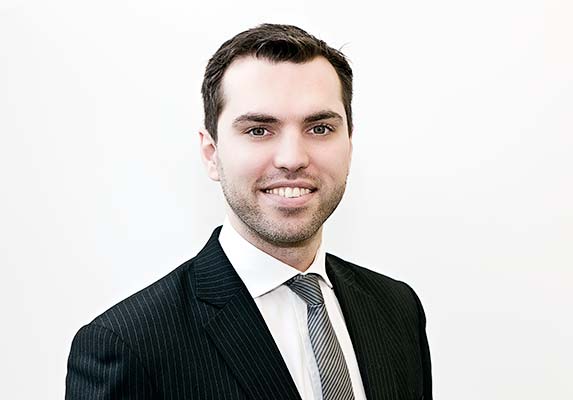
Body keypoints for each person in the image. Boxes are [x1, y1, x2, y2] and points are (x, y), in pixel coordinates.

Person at [66, 23, 432, 400]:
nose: (292, 158)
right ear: (211, 153)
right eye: (259, 130)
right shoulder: (128, 345)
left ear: (349, 146)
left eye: (320, 128)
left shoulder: (397, 308)